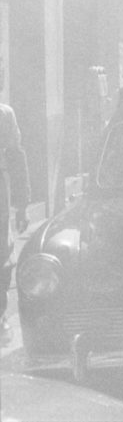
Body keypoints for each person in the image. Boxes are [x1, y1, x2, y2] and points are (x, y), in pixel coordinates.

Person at [1, 102, 30, 342]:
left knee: (3, 252)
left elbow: (16, 155)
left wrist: (22, 204)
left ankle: (0, 316)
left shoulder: (4, 114)